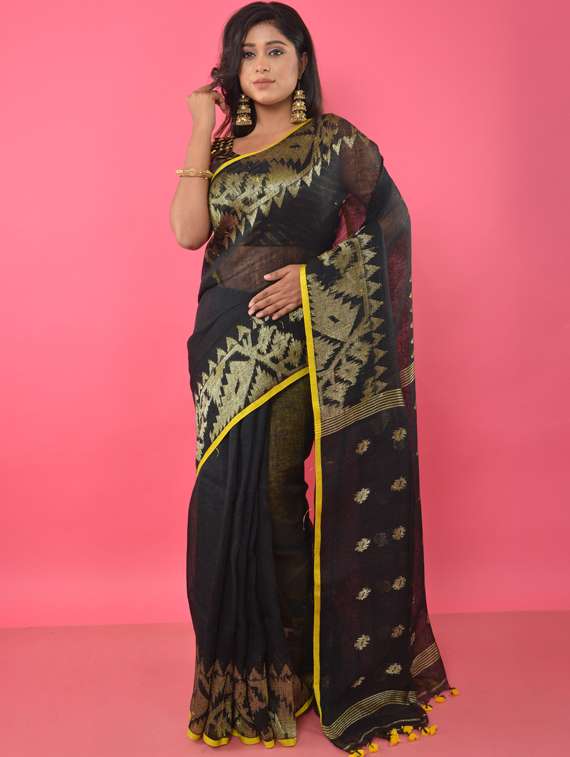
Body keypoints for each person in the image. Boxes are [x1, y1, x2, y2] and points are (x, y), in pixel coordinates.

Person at [169, 3, 459, 754]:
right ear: (232, 70)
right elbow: (189, 232)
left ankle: (296, 665)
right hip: (221, 349)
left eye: (276, 50)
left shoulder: (336, 144)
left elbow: (391, 226)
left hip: (296, 345)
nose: (261, 65)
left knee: (274, 494)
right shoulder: (222, 151)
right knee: (222, 502)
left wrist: (312, 281)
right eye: (246, 54)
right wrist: (200, 128)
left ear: (302, 62)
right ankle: (245, 672)